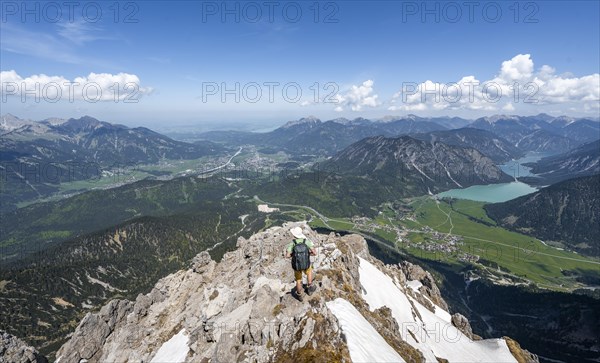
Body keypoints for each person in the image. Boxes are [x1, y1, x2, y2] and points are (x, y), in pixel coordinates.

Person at [285, 226, 317, 301]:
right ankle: (309, 287)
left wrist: (293, 255)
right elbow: (314, 253)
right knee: (309, 272)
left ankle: (299, 295)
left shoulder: (292, 243)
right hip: (306, 263)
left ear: (294, 235)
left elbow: (287, 255)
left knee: (298, 279)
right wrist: (309, 254)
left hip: (297, 265)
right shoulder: (306, 241)